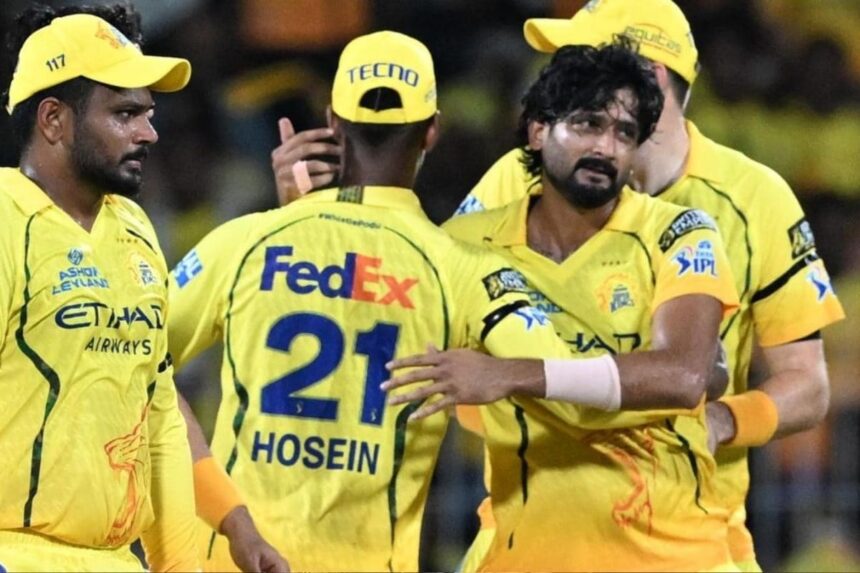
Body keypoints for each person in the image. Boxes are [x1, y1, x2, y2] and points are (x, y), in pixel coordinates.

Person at [445, 1, 844, 571]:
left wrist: (720, 421)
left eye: (582, 55)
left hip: (685, 536)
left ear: (646, 77)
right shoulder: (520, 177)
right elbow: (433, 306)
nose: (561, 72)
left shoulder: (753, 198)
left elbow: (808, 385)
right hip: (531, 529)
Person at [166, 31, 575, 572]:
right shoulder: (462, 270)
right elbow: (570, 385)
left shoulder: (244, 241)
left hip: (235, 560)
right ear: (432, 131)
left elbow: (133, 358)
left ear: (333, 122)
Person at [378, 39, 743, 571]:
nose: (607, 147)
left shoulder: (680, 233)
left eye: (625, 133)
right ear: (538, 131)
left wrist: (509, 375)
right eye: (588, 124)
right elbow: (379, 328)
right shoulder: (465, 244)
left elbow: (686, 375)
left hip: (674, 556)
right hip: (529, 554)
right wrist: (307, 211)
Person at [0, 5, 199, 571]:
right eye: (125, 114)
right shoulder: (6, 219)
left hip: (115, 559)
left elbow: (158, 413)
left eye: (148, 114)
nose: (149, 133)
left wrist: (181, 567)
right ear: (54, 120)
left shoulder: (135, 228)